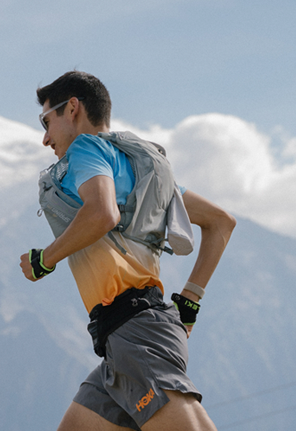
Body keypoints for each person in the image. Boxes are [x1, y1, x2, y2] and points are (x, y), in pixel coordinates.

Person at [19, 71, 236, 431]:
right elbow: (221, 222)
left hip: (137, 332)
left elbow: (103, 213)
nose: (45, 138)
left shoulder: (85, 149)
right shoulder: (143, 169)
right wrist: (189, 302)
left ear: (72, 108)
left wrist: (46, 259)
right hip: (125, 337)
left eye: (47, 121)